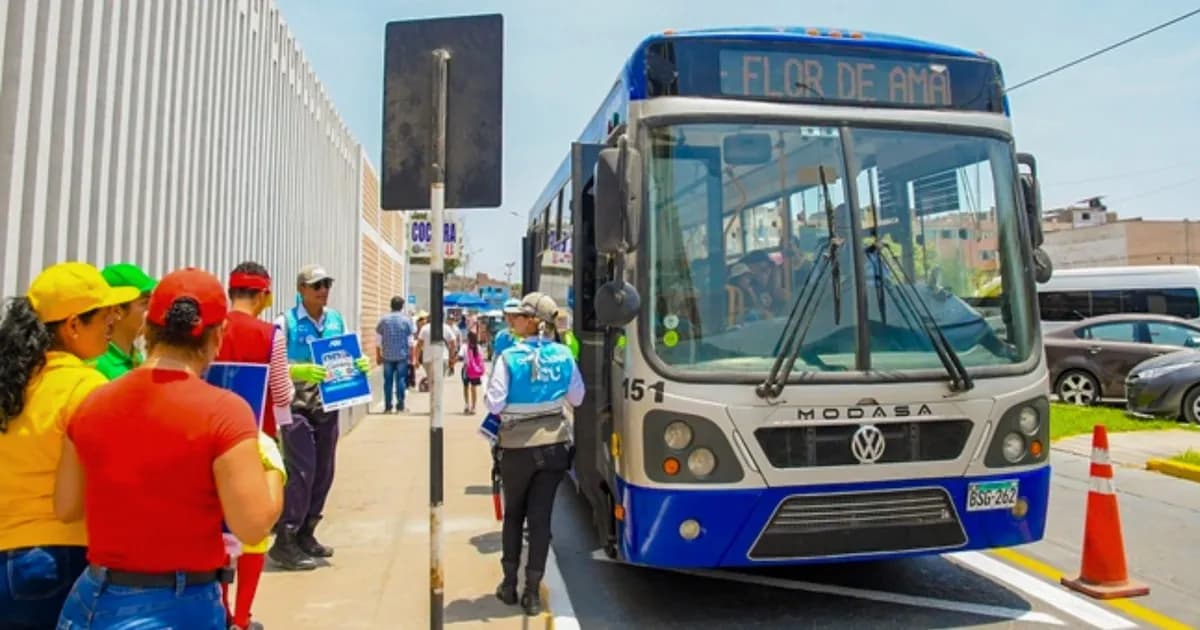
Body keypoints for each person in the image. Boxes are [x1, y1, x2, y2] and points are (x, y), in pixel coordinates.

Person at [53, 267, 286, 628]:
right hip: (175, 604)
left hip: (93, 598)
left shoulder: (91, 402)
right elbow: (252, 526)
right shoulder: (224, 412)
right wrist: (272, 468)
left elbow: (66, 506)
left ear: (147, 329)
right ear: (219, 334)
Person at [0, 262, 133, 628]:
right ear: (73, 325)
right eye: (106, 315)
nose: (113, 323)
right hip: (53, 561)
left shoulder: (11, 380)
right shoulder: (84, 387)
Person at [487, 292, 584, 616]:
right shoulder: (563, 355)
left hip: (516, 449)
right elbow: (578, 397)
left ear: (534, 322)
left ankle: (508, 585)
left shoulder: (509, 357)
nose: (514, 320)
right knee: (540, 519)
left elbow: (494, 403)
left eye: (520, 316)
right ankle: (531, 593)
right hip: (555, 447)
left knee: (514, 515)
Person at [268, 264, 369, 571]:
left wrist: (359, 363)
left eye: (326, 284)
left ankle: (306, 532)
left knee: (324, 470)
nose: (323, 290)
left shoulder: (336, 320)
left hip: (328, 404)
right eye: (316, 285)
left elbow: (348, 353)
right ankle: (285, 539)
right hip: (297, 405)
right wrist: (295, 371)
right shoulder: (284, 323)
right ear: (301, 289)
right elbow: (271, 363)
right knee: (302, 471)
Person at [214, 261, 295, 630]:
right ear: (264, 295)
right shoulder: (270, 335)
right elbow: (281, 393)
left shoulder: (210, 329)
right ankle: (242, 619)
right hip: (252, 441)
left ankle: (219, 611)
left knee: (213, 530)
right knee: (253, 532)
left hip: (207, 439)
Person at [92, 263, 158, 380]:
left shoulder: (135, 356)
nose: (152, 310)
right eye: (145, 303)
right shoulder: (99, 368)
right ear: (117, 311)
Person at [375, 296, 414, 413]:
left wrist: (378, 355)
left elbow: (378, 340)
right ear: (402, 307)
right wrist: (412, 356)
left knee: (388, 381)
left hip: (387, 355)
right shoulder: (406, 321)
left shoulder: (383, 320)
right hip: (402, 355)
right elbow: (410, 341)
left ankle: (388, 406)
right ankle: (400, 405)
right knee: (401, 380)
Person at [415, 313, 459, 387]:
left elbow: (419, 345)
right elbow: (454, 344)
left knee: (431, 382)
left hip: (428, 358)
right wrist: (452, 357)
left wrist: (416, 359)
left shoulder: (425, 328)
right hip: (443, 358)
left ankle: (433, 396)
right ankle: (437, 396)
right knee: (439, 382)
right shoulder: (446, 328)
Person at [460, 330, 485, 414]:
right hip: (475, 370)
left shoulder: (464, 346)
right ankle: (473, 407)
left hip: (466, 369)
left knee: (465, 387)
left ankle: (467, 405)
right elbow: (482, 358)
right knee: (473, 388)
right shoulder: (478, 347)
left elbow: (460, 356)